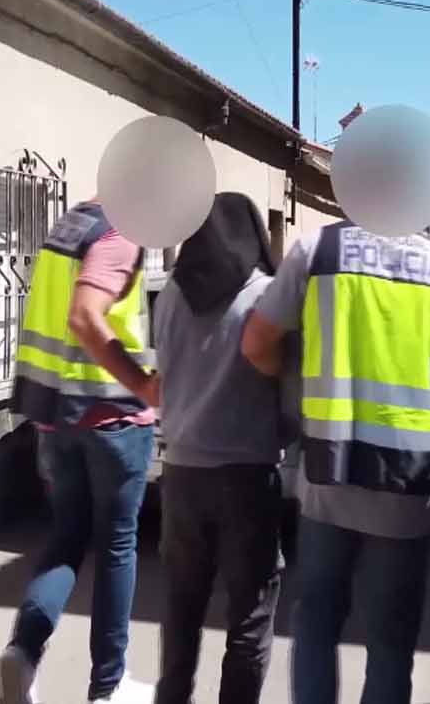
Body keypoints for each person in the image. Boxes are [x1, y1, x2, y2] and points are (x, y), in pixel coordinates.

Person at [241, 221, 430, 704]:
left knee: (318, 620)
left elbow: (256, 343)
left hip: (331, 465)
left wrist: (296, 381)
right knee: (391, 638)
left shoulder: (317, 249)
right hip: (410, 475)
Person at [0, 197, 160, 704]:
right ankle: (108, 686)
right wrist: (143, 384)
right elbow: (85, 316)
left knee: (66, 535)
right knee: (116, 546)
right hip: (112, 417)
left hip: (57, 414)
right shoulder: (121, 231)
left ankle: (22, 651)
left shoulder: (67, 227)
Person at [151, 193, 286, 704]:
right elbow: (288, 387)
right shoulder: (266, 300)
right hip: (246, 477)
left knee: (182, 612)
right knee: (249, 617)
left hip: (181, 474)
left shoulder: (168, 298)